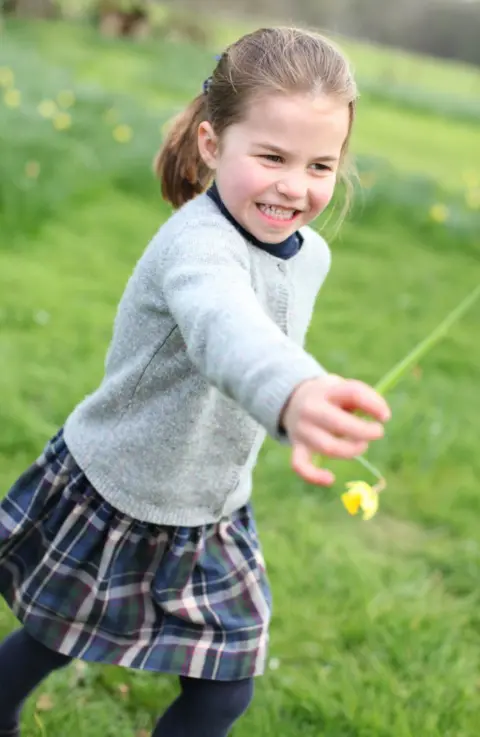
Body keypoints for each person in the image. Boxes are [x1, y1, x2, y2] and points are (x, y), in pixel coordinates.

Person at [0, 25, 391, 737]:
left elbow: (265, 330)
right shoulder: (196, 244)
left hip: (211, 508)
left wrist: (304, 388)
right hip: (116, 489)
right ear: (212, 145)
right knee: (53, 636)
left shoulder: (312, 256)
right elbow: (225, 327)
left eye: (319, 166)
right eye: (272, 156)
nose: (294, 187)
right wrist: (294, 393)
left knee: (223, 693)